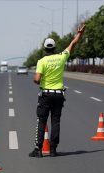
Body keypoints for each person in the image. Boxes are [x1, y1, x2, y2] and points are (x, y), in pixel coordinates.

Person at [29, 25, 86, 158]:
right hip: (59, 95)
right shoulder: (61, 57)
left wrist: (38, 79)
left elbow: (37, 79)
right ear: (54, 48)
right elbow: (73, 44)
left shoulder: (41, 61)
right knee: (56, 121)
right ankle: (53, 149)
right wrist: (80, 34)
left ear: (44, 48)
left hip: (45, 95)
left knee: (41, 121)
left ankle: (38, 149)